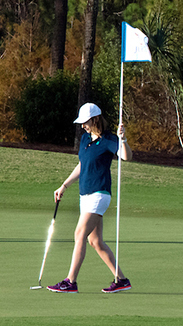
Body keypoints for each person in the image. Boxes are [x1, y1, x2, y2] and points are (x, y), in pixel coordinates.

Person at [48, 102, 131, 293]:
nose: (82, 126)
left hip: (99, 194)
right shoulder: (85, 139)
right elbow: (82, 165)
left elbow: (126, 156)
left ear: (94, 119)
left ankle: (70, 281)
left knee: (79, 234)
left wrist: (123, 139)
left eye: (85, 122)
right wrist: (64, 185)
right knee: (95, 241)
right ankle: (122, 280)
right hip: (84, 196)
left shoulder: (110, 139)